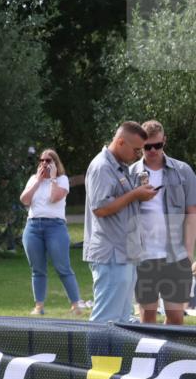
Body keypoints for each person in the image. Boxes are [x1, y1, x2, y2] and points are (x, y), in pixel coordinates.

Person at [83, 121, 155, 323]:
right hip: (110, 253)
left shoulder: (120, 167)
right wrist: (135, 194)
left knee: (122, 319)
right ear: (121, 142)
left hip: (125, 251)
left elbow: (121, 203)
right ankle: (95, 347)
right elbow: (100, 208)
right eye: (136, 150)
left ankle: (113, 347)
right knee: (105, 319)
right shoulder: (102, 167)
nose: (138, 155)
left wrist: (140, 195)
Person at [129, 120, 196, 325]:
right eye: (147, 146)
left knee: (176, 319)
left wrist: (188, 252)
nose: (152, 151)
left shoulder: (183, 171)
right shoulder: (130, 173)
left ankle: (168, 349)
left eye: (157, 145)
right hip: (143, 257)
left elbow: (192, 213)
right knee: (147, 318)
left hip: (175, 256)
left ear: (164, 141)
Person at [19, 148, 86, 316]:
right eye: (41, 160)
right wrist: (38, 181)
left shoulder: (62, 180)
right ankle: (39, 306)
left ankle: (76, 305)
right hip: (33, 227)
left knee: (63, 267)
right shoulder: (33, 179)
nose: (44, 163)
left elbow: (54, 198)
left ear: (55, 163)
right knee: (37, 269)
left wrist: (53, 178)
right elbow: (24, 200)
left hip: (55, 227)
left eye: (48, 161)